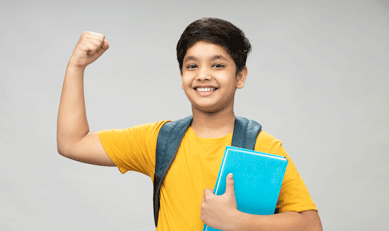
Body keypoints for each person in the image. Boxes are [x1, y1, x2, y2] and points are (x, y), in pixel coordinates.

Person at [57, 17, 323, 231]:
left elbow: (311, 226)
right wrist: (75, 67)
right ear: (182, 76)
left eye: (218, 65)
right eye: (192, 66)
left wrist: (238, 222)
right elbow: (72, 143)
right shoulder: (159, 140)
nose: (203, 75)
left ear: (240, 76)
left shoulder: (261, 146)